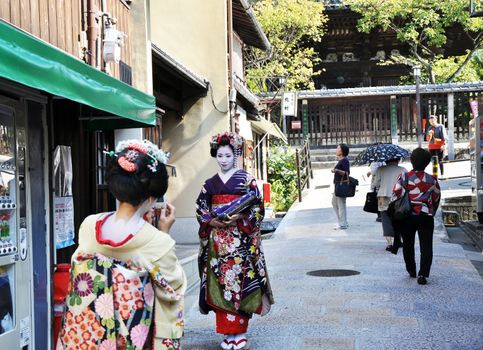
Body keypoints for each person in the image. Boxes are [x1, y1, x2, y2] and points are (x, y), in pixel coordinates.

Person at [57, 139, 186, 350]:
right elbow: (172, 288)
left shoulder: (89, 225)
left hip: (91, 334)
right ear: (152, 197)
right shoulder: (157, 241)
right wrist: (164, 232)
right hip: (132, 337)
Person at [196, 132, 274, 350]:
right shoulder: (209, 184)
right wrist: (211, 222)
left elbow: (258, 207)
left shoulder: (246, 180)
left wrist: (240, 216)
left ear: (235, 156)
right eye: (220, 155)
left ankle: (240, 333)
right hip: (217, 243)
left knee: (239, 284)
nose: (223, 160)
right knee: (220, 285)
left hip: (239, 241)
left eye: (228, 156)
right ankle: (226, 333)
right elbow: (200, 209)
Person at [392, 148, 441, 285]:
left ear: (412, 161)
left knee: (408, 244)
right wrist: (431, 210)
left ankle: (411, 270)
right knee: (426, 245)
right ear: (427, 163)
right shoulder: (432, 180)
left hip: (408, 215)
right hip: (425, 215)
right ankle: (423, 274)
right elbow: (436, 197)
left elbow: (395, 194)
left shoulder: (404, 177)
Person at [373, 158, 407, 251]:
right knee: (399, 218)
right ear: (398, 160)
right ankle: (398, 241)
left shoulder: (380, 169)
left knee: (386, 219)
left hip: (383, 196)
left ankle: (389, 244)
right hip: (398, 197)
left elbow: (375, 184)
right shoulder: (402, 170)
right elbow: (407, 184)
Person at [331, 143, 350, 229]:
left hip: (341, 185)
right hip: (338, 185)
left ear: (342, 151)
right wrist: (335, 169)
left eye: (338, 148)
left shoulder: (345, 160)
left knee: (341, 204)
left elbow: (346, 173)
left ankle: (343, 224)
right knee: (335, 203)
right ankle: (343, 222)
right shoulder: (341, 159)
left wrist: (337, 170)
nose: (336, 149)